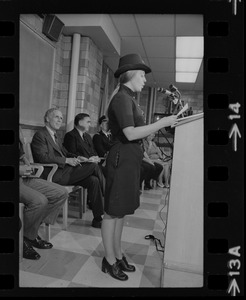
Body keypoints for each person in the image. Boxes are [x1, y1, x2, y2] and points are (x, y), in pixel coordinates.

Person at [101, 53, 177, 281]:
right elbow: (130, 133)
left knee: (120, 211)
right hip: (120, 160)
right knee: (112, 213)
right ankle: (109, 259)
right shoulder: (122, 98)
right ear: (131, 74)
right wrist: (162, 122)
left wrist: (165, 122)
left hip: (129, 160)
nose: (145, 79)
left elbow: (141, 132)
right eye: (142, 75)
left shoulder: (130, 98)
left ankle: (117, 253)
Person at [30, 108, 104, 228]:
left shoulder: (55, 135)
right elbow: (42, 157)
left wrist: (78, 158)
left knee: (93, 181)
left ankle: (97, 218)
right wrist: (66, 160)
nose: (60, 120)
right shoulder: (40, 135)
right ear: (47, 119)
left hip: (65, 172)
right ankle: (109, 201)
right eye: (56, 117)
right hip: (53, 174)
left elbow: (66, 152)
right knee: (93, 166)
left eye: (61, 118)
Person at [19, 128, 68, 260]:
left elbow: (20, 154)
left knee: (61, 193)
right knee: (40, 201)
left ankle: (30, 233)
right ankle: (24, 239)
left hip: (24, 177)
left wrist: (26, 162)